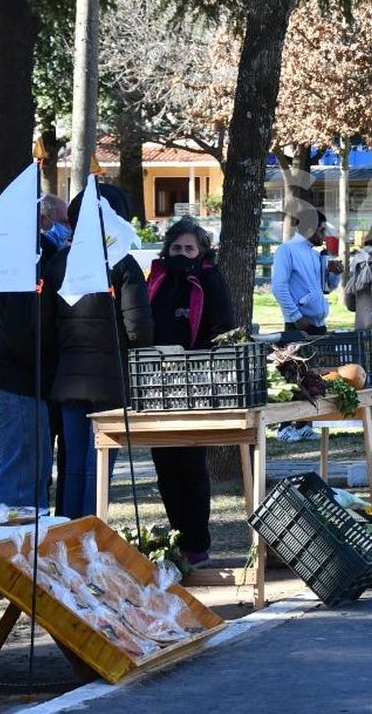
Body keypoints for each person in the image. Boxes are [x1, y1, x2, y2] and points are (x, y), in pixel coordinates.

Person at [44, 184, 154, 519]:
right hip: (111, 383)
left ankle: (67, 533)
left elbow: (46, 323)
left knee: (73, 464)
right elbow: (139, 329)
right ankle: (91, 534)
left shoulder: (58, 263)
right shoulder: (123, 263)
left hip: (68, 379)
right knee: (99, 464)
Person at [143, 219, 233, 568]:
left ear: (201, 252)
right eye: (177, 249)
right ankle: (179, 537)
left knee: (191, 464)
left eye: (189, 249)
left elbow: (222, 327)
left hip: (195, 383)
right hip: (156, 383)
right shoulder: (158, 278)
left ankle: (197, 544)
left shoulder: (210, 278)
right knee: (165, 465)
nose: (182, 254)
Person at [0, 193, 70, 509]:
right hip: (15, 378)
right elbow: (21, 331)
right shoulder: (22, 263)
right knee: (23, 473)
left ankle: (32, 542)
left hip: (24, 378)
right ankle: (15, 545)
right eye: (62, 221)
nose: (64, 228)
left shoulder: (40, 257)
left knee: (37, 465)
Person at [270, 209, 341, 335]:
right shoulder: (286, 250)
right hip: (299, 326)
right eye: (322, 231)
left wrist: (335, 273)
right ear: (310, 229)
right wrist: (297, 318)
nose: (325, 236)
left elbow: (326, 288)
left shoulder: (315, 254)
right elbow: (278, 287)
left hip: (319, 325)